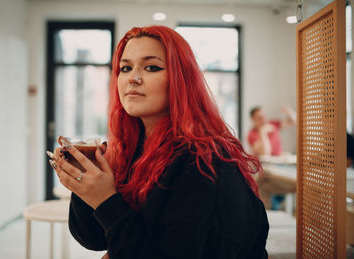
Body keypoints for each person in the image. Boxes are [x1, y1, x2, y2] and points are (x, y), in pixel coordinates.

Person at [46, 25, 269, 259]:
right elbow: (95, 238)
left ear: (181, 79)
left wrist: (106, 200)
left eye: (151, 67)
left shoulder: (204, 160)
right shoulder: (130, 149)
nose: (133, 78)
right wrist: (85, 186)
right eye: (125, 68)